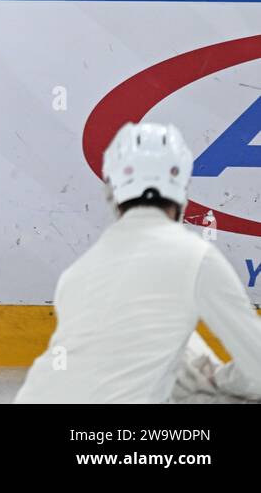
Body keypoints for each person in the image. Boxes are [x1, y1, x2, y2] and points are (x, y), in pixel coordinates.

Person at [16, 122, 261, 403]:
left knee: (176, 347)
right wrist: (217, 378)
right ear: (182, 186)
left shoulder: (77, 273)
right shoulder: (195, 257)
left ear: (112, 191)